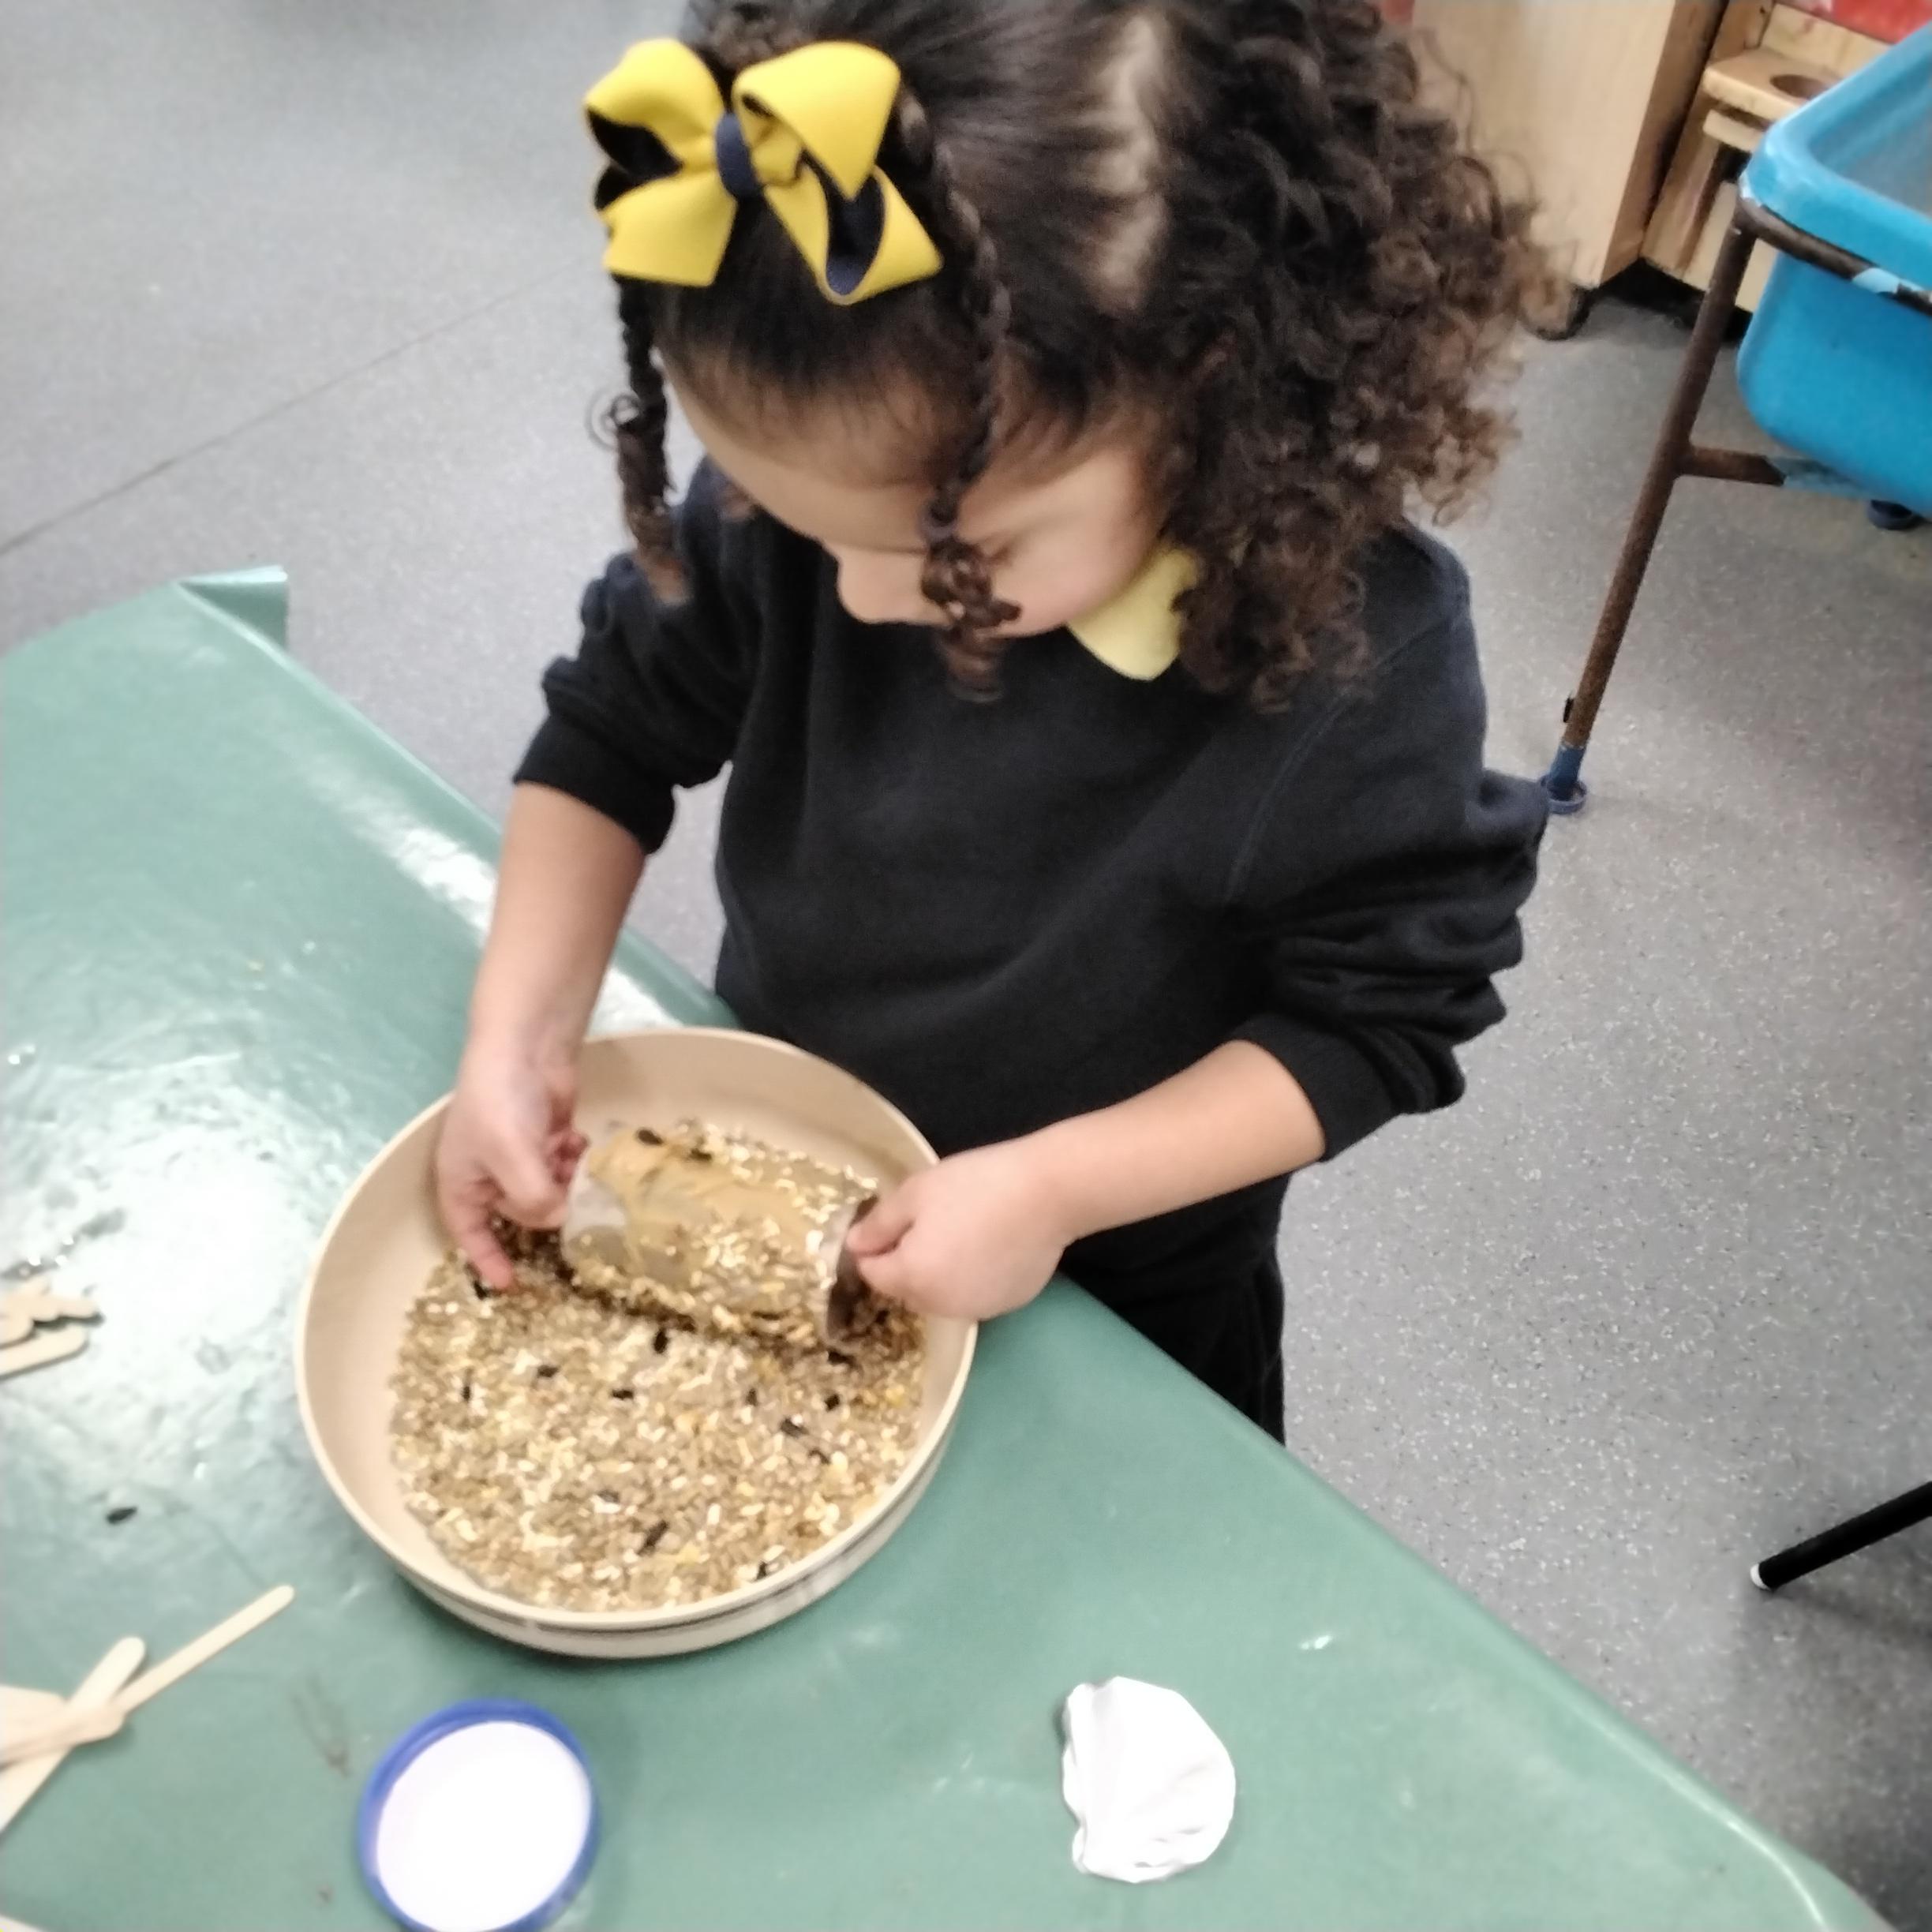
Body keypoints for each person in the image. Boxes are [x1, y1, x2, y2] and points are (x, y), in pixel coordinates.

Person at [436, 0, 1548, 1439]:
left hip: (1118, 1292)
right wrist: (519, 1033)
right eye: (797, 521)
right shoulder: (846, 472)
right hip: (794, 1152)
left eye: (963, 553)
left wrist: (1055, 1190)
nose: (864, 595)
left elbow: (1378, 1019)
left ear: (1210, 378)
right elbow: (610, 728)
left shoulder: (1356, 665)